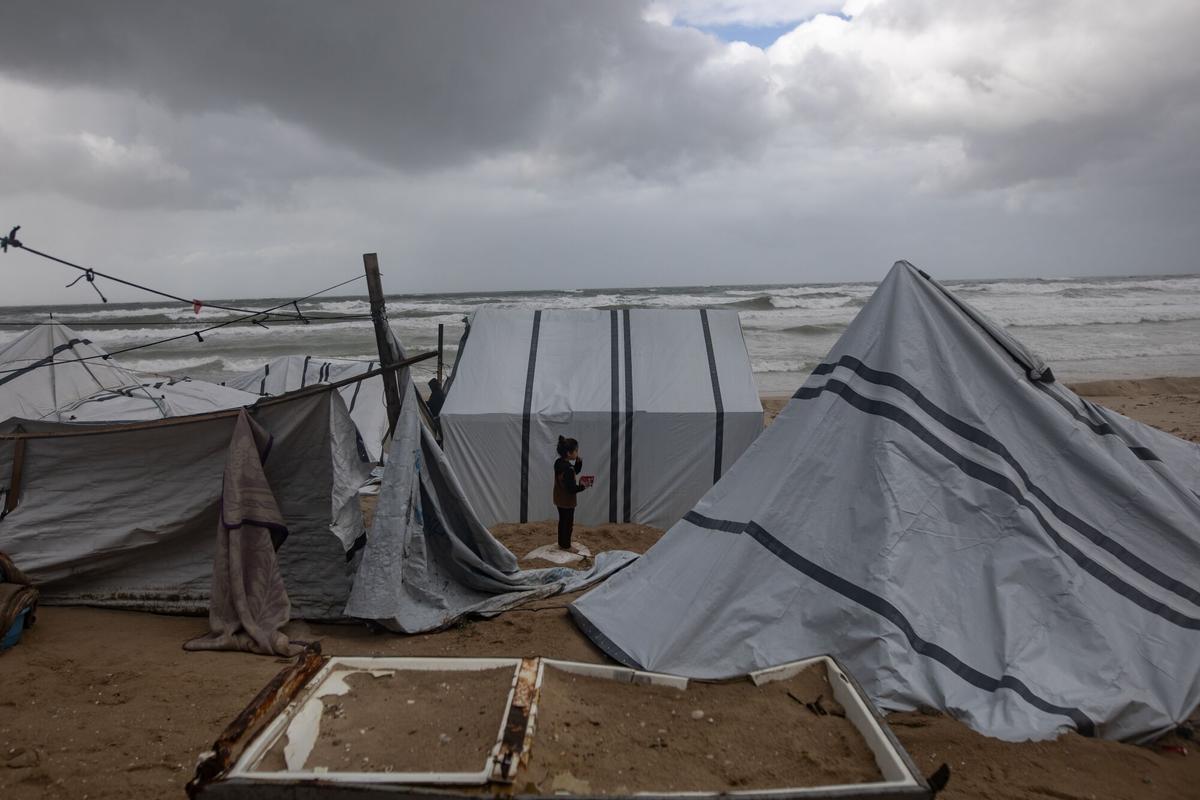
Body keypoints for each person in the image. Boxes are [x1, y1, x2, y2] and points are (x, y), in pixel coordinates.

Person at [553, 436, 586, 550]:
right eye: (576, 450)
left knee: (562, 522)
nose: (577, 452)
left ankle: (561, 543)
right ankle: (566, 546)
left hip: (558, 499)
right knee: (568, 524)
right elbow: (571, 488)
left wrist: (578, 464)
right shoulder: (568, 469)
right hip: (567, 501)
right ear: (568, 453)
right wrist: (582, 487)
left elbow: (572, 472)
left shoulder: (558, 463)